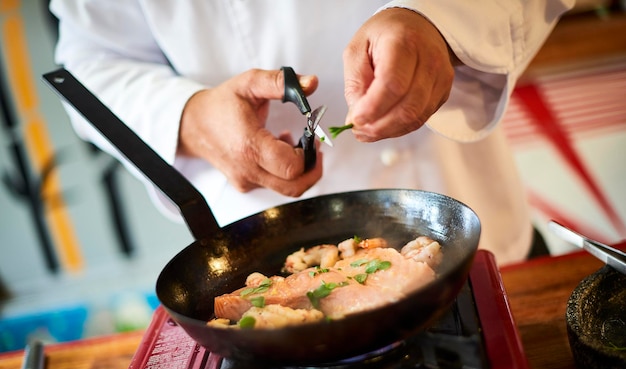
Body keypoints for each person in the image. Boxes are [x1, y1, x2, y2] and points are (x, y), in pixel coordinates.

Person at [49, 0, 573, 265]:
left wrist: (444, 23)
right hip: (266, 252)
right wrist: (189, 117)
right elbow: (91, 60)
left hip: (475, 226)